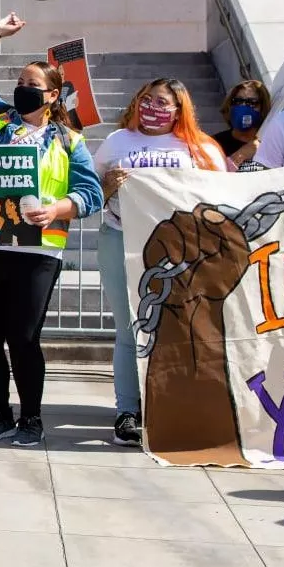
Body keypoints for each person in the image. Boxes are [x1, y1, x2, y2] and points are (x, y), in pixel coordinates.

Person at [0, 13, 102, 449]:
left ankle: (31, 418)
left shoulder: (68, 140)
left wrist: (58, 207)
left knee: (23, 337)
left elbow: (90, 193)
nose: (23, 87)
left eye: (32, 83)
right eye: (19, 80)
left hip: (36, 251)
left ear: (53, 94)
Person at [92, 78, 226, 447]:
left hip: (179, 251)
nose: (152, 107)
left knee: (178, 329)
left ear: (180, 109)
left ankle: (171, 404)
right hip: (120, 239)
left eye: (162, 102)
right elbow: (91, 192)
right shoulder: (118, 142)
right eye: (146, 99)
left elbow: (223, 200)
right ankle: (127, 411)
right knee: (128, 328)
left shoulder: (200, 149)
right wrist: (109, 187)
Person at [213, 79, 272, 171]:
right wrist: (240, 156)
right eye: (238, 101)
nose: (243, 107)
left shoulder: (271, 145)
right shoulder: (214, 143)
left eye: (252, 102)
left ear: (262, 108)